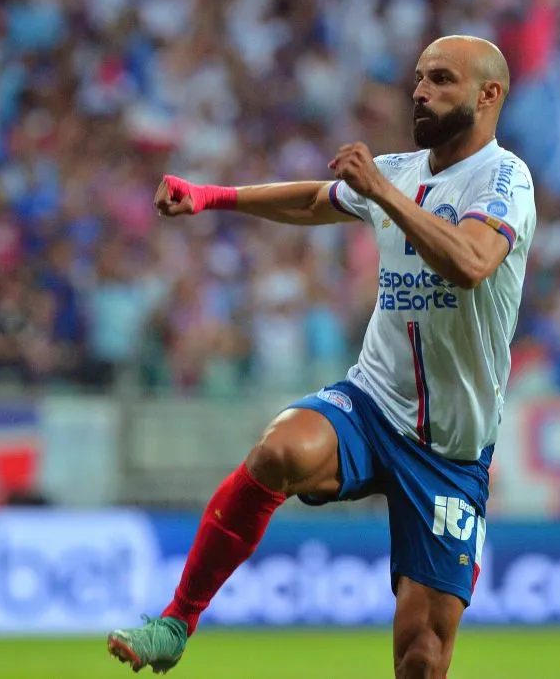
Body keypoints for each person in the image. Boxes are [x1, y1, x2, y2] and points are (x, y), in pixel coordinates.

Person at [107, 35, 537, 678]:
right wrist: (212, 197)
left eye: (441, 79)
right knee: (281, 450)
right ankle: (176, 620)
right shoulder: (397, 173)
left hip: (451, 449)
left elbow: (473, 262)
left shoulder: (506, 179)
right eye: (419, 77)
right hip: (373, 403)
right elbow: (315, 199)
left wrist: (385, 195)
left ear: (488, 94)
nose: (420, 90)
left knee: (421, 658)